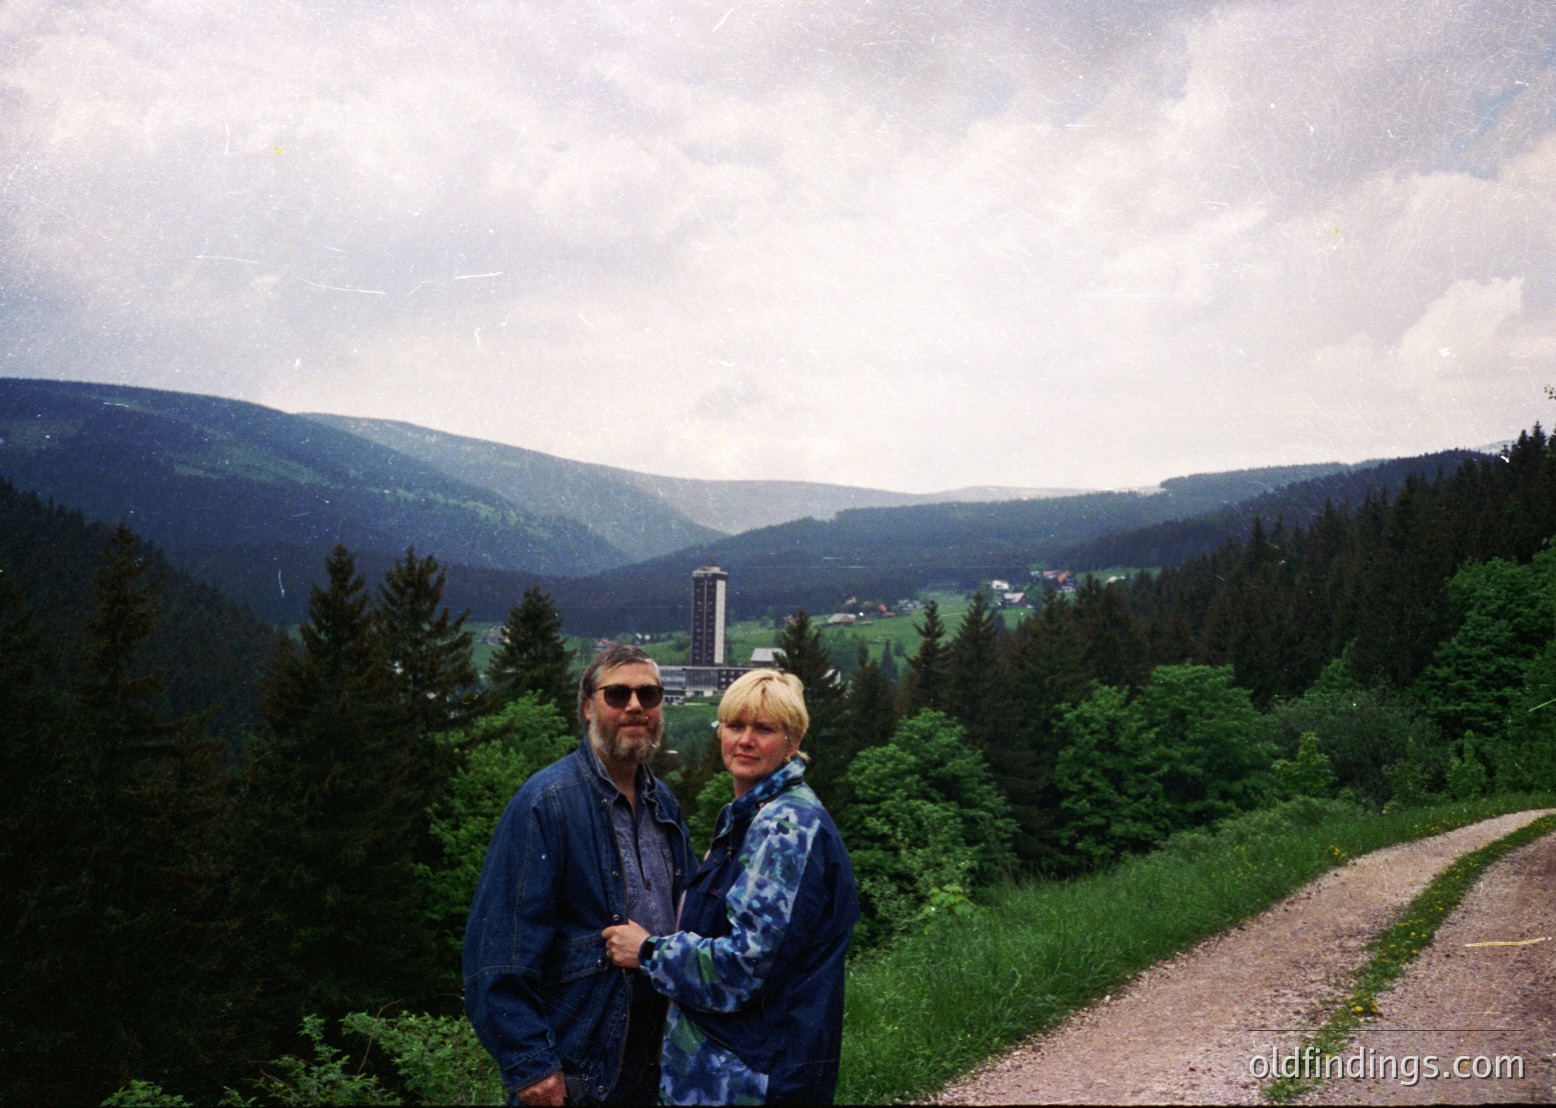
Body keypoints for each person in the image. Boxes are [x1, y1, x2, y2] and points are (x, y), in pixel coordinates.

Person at [603, 669, 860, 1105]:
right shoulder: (750, 815)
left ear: (793, 741)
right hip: (736, 1069)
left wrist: (648, 952)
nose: (745, 740)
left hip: (753, 1080)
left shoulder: (785, 827)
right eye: (735, 725)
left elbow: (744, 968)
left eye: (764, 729)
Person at [465, 644, 694, 1106]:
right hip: (580, 1071)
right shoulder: (547, 803)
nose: (635, 706)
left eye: (649, 695)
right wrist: (532, 1065)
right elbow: (497, 953)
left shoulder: (664, 806)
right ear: (588, 707)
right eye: (618, 694)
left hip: (658, 1064)